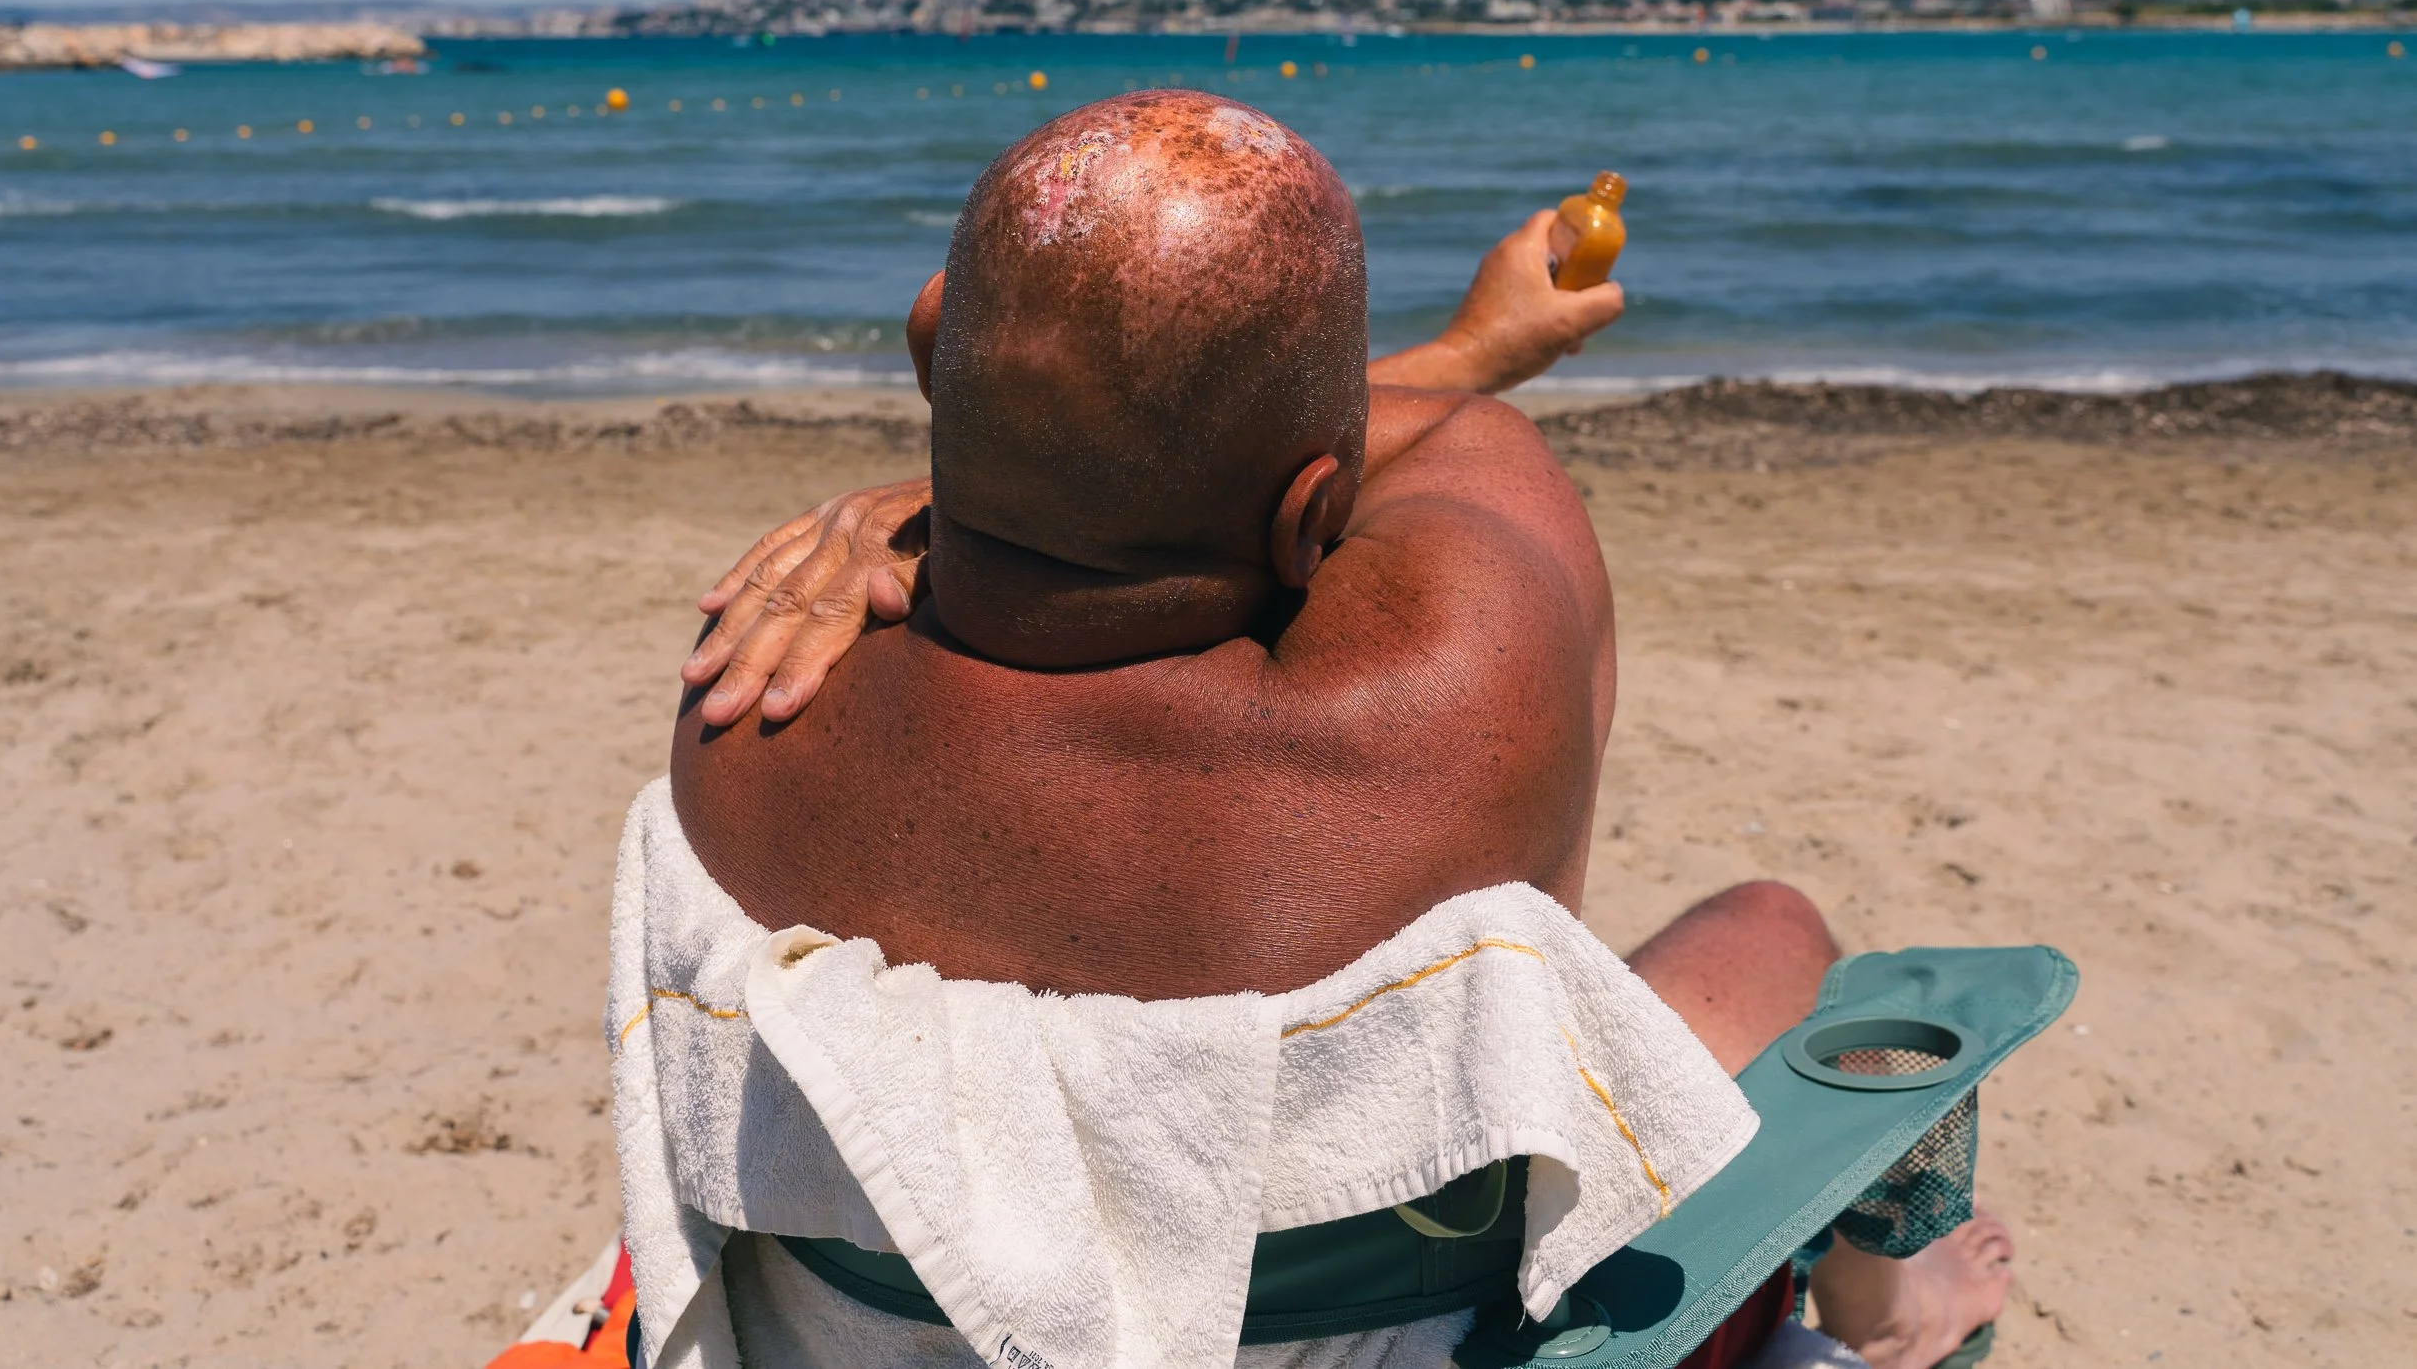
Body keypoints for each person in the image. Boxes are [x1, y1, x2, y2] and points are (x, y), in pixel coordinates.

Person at [665, 91, 2010, 1368]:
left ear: (926, 340)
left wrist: (984, 450)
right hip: (1403, 1327)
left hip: (894, 1317)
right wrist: (1483, 349)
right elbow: (1437, 434)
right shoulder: (1462, 673)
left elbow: (1200, 459)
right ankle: (1894, 1305)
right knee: (1774, 924)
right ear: (1317, 511)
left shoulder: (748, 712)